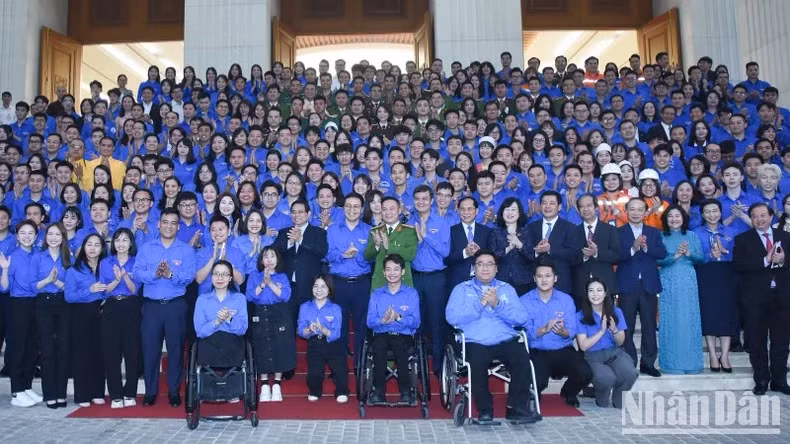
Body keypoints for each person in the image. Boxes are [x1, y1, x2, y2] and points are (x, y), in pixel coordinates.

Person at [445, 249, 540, 424]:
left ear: (496, 269)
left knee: (521, 358)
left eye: (490, 264)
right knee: (477, 361)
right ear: (474, 268)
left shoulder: (506, 289)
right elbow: (452, 318)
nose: (485, 268)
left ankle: (516, 409)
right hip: (475, 341)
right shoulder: (461, 289)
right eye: (480, 264)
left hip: (504, 339)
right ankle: (485, 411)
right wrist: (479, 304)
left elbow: (521, 318)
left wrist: (497, 305)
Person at [133, 208, 197, 407]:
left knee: (176, 350)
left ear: (178, 227)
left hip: (175, 307)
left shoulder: (186, 250)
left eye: (173, 223)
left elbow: (188, 277)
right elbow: (136, 273)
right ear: (158, 224)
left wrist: (170, 274)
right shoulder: (146, 248)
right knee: (150, 350)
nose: (169, 226)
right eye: (165, 222)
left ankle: (174, 391)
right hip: (151, 307)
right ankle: (150, 391)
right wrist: (155, 274)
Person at [733, 203, 790, 395]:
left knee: (781, 341)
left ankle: (780, 380)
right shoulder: (742, 239)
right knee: (757, 342)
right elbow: (739, 265)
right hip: (755, 299)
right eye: (755, 216)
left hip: (782, 297)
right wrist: (765, 260)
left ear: (771, 216)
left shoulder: (786, 237)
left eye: (763, 215)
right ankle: (762, 380)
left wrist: (783, 260)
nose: (760, 219)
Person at [522, 260, 592, 407]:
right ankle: (535, 392)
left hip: (563, 349)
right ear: (534, 278)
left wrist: (562, 331)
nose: (544, 279)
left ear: (555, 278)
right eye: (540, 276)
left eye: (548, 276)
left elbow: (572, 331)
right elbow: (524, 334)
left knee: (585, 373)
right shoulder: (524, 301)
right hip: (537, 350)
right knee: (536, 382)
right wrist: (544, 329)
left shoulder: (566, 300)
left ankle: (568, 392)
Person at [616, 198, 667, 377]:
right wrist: (633, 248)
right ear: (626, 211)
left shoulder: (654, 232)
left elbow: (662, 253)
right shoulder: (619, 232)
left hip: (648, 285)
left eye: (639, 210)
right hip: (627, 285)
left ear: (645, 213)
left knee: (649, 325)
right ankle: (629, 362)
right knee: (626, 326)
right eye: (632, 209)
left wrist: (646, 248)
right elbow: (615, 255)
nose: (636, 213)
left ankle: (648, 363)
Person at [366, 254, 420, 405]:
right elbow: (370, 322)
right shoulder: (376, 294)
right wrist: (382, 320)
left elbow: (415, 322)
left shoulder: (411, 294)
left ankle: (405, 391)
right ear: (383, 273)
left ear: (403, 272)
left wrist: (398, 317)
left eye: (396, 269)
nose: (392, 273)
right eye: (388, 269)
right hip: (382, 333)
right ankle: (378, 391)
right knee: (379, 346)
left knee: (399, 345)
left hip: (403, 335)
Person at [0, 220, 44, 407]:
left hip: (37, 304)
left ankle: (26, 386)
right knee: (18, 348)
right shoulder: (12, 256)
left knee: (32, 347)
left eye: (30, 233)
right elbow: (4, 288)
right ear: (17, 236)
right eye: (23, 233)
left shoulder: (38, 254)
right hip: (19, 304)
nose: (27, 236)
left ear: (36, 236)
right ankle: (17, 391)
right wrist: (5, 269)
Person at [575, 278, 637, 408]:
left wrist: (614, 331)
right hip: (593, 357)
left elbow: (621, 342)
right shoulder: (580, 316)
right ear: (587, 294)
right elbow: (583, 346)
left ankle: (618, 398)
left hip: (614, 353)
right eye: (591, 291)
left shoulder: (616, 312)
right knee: (607, 378)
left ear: (605, 293)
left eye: (599, 290)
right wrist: (601, 332)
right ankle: (601, 398)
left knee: (630, 373)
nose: (595, 294)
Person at [657, 204, 704, 374]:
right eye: (670, 216)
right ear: (665, 219)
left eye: (677, 216)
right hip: (668, 280)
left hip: (688, 280)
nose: (674, 219)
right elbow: (657, 260)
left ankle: (691, 363)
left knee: (688, 320)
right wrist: (674, 256)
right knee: (670, 319)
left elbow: (701, 259)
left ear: (683, 218)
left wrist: (688, 253)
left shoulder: (692, 235)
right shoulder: (660, 236)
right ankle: (671, 363)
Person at [408, 185, 451, 370]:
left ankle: (439, 366)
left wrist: (426, 237)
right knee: (416, 321)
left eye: (425, 199)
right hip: (415, 277)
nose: (421, 202)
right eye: (417, 198)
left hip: (436, 278)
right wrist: (416, 242)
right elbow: (407, 254)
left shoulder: (441, 223)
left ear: (432, 201)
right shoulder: (409, 222)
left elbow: (446, 251)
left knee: (436, 322)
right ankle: (417, 363)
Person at [693, 199, 738, 372]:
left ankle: (725, 355)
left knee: (727, 313)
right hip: (706, 274)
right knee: (709, 314)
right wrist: (708, 255)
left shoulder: (731, 232)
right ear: (703, 214)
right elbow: (695, 257)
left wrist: (726, 254)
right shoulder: (695, 233)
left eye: (715, 211)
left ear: (720, 212)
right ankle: (712, 354)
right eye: (708, 212)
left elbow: (740, 256)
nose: (712, 215)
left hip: (727, 274)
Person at [325, 192, 372, 359]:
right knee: (339, 323)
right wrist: (342, 255)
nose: (352, 209)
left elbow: (372, 258)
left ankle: (361, 360)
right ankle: (341, 361)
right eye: (348, 206)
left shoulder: (369, 231)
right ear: (343, 208)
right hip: (339, 283)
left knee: (362, 324)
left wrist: (357, 255)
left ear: (361, 210)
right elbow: (326, 255)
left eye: (356, 206)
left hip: (362, 283)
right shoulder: (332, 230)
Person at [246, 246, 295, 403]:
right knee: (262, 346)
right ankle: (265, 384)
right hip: (260, 313)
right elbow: (250, 296)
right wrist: (262, 283)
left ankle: (277, 384)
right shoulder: (254, 275)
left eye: (272, 256)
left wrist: (270, 283)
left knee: (279, 346)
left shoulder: (282, 277)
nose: (269, 260)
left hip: (279, 313)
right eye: (265, 257)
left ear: (277, 259)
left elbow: (285, 296)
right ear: (261, 260)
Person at [99, 228, 141, 408]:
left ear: (130, 243)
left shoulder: (136, 262)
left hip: (131, 306)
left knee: (132, 352)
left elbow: (135, 289)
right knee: (112, 353)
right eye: (117, 240)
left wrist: (124, 277)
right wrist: (117, 280)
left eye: (125, 240)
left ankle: (130, 392)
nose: (121, 243)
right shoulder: (105, 262)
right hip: (111, 306)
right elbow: (105, 289)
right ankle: (115, 394)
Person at [64, 233, 108, 407]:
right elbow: (69, 296)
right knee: (82, 355)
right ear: (83, 247)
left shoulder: (105, 268)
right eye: (89, 244)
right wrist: (90, 290)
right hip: (80, 314)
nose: (92, 248)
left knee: (99, 353)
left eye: (97, 245)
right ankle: (82, 394)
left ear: (102, 248)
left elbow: (108, 290)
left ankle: (97, 391)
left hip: (101, 313)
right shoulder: (74, 270)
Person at [33, 223, 71, 409]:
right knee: (47, 351)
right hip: (43, 304)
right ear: (45, 236)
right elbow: (31, 286)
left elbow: (71, 287)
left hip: (63, 304)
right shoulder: (38, 257)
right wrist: (48, 281)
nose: (54, 237)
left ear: (63, 237)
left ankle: (61, 394)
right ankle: (49, 394)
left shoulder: (68, 258)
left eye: (58, 234)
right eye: (50, 234)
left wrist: (58, 284)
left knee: (63, 350)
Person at [273, 199, 329, 322]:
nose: (296, 215)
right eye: (293, 212)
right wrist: (290, 242)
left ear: (308, 214)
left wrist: (301, 240)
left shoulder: (318, 232)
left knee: (310, 323)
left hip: (309, 286)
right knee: (288, 324)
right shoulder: (284, 232)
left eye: (300, 212)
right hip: (287, 286)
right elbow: (274, 252)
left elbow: (322, 252)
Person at [297, 274, 349, 403]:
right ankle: (315, 391)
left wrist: (324, 329)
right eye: (316, 286)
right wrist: (309, 330)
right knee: (314, 372)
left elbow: (336, 333)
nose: (319, 290)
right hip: (314, 343)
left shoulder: (336, 308)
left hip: (332, 343)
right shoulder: (305, 307)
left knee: (340, 369)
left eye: (323, 286)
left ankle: (342, 391)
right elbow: (300, 330)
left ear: (329, 289)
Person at [193, 260, 248, 377]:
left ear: (230, 278)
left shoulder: (239, 298)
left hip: (232, 344)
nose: (220, 278)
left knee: (236, 344)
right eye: (216, 274)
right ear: (211, 277)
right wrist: (216, 322)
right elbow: (200, 331)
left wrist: (229, 318)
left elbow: (242, 329)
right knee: (203, 345)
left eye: (224, 274)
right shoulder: (202, 300)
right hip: (209, 344)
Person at [526, 190, 581, 295]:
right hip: (536, 283)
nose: (547, 206)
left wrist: (551, 250)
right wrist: (536, 252)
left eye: (552, 203)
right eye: (544, 203)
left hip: (561, 282)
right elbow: (526, 254)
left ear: (559, 207)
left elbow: (575, 255)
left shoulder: (569, 227)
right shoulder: (531, 227)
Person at [572, 193, 620, 307]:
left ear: (596, 208)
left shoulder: (610, 229)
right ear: (578, 210)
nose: (586, 209)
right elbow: (569, 257)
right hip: (580, 286)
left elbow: (617, 255)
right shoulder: (573, 231)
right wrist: (584, 256)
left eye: (589, 205)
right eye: (582, 207)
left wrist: (597, 253)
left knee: (606, 321)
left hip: (605, 285)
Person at [364, 196, 418, 291]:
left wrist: (388, 246)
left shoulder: (409, 231)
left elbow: (410, 255)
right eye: (384, 209)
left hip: (403, 282)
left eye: (392, 209)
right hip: (380, 282)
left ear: (399, 210)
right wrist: (376, 246)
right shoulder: (375, 231)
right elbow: (367, 257)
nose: (387, 213)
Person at [487, 197, 533, 295]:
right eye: (507, 209)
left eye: (513, 209)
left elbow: (531, 257)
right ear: (502, 212)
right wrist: (508, 248)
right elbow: (491, 257)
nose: (510, 213)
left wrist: (519, 244)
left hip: (523, 281)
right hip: (501, 279)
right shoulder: (495, 232)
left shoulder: (526, 232)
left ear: (519, 213)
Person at [445, 196, 492, 292]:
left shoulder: (486, 231)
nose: (466, 212)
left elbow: (492, 256)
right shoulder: (451, 231)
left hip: (482, 282)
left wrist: (480, 253)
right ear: (458, 211)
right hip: (458, 283)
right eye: (462, 209)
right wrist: (465, 252)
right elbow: (447, 259)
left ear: (477, 211)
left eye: (470, 209)